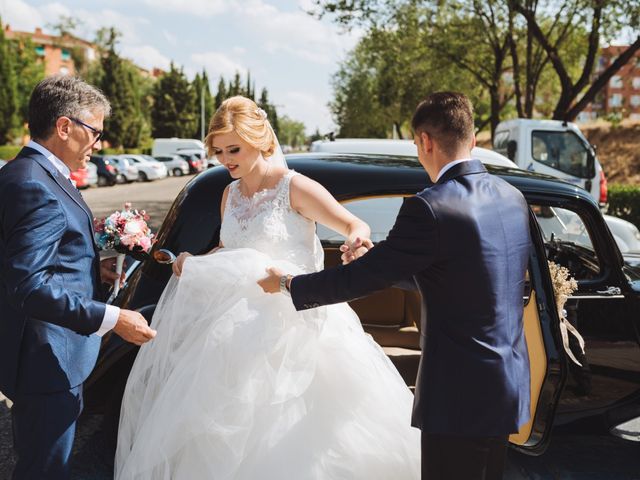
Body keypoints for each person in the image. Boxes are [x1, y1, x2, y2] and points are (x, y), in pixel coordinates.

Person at [115, 96, 420, 479]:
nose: (226, 159)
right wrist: (191, 263)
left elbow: (352, 224)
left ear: (259, 141)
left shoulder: (294, 187)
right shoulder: (229, 194)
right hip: (234, 328)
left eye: (234, 149)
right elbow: (230, 249)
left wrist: (356, 243)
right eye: (220, 151)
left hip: (297, 320)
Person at [260, 92, 533, 480]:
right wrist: (376, 258)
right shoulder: (513, 197)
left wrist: (290, 284)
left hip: (457, 396)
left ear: (425, 142)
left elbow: (358, 281)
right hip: (506, 383)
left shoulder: (431, 206)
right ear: (472, 140)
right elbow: (460, 273)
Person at [0, 75, 157, 480]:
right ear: (64, 127)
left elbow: (26, 262)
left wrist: (95, 270)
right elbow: (28, 284)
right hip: (47, 359)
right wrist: (113, 318)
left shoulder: (22, 173)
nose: (99, 144)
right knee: (44, 469)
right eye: (95, 132)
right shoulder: (37, 186)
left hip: (41, 354)